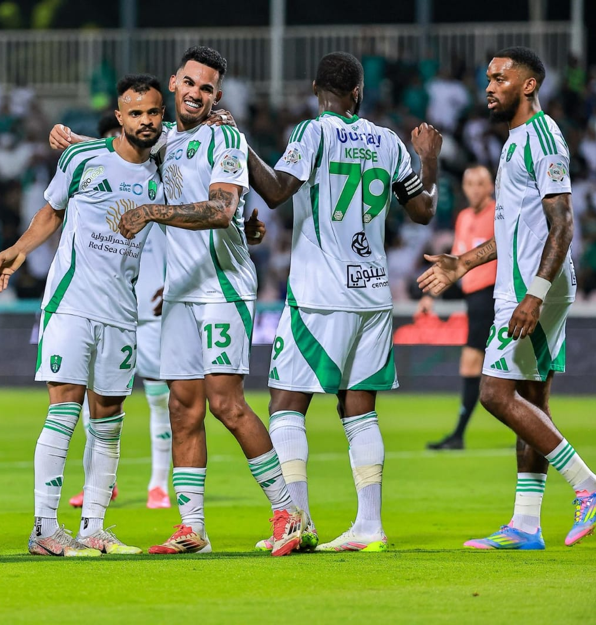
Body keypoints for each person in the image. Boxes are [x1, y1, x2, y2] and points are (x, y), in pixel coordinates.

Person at [54, 46, 304, 557]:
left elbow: (221, 209)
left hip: (222, 288)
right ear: (174, 83)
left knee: (226, 403)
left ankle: (290, 513)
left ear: (217, 97)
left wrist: (153, 211)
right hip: (180, 292)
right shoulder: (166, 139)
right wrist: (74, 140)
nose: (196, 93)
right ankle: (193, 528)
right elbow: (125, 146)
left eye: (207, 88)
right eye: (190, 83)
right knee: (182, 409)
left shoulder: (225, 138)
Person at [238, 51, 442, 552]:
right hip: (372, 294)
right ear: (358, 92)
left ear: (315, 89)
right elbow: (423, 211)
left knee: (286, 404)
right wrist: (429, 159)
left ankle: (297, 521)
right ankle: (369, 524)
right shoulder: (389, 141)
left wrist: (238, 144)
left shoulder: (313, 133)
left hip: (320, 296)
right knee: (359, 411)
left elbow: (276, 191)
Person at [419, 46, 596, 550]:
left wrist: (534, 295)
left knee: (495, 394)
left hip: (530, 285)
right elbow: (515, 227)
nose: (490, 87)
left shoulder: (542, 137)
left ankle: (587, 485)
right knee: (532, 401)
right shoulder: (516, 140)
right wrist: (463, 263)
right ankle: (525, 524)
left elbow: (563, 224)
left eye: (500, 78)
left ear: (529, 85)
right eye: (488, 79)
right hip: (526, 282)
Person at [0, 74, 167, 557]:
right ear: (119, 116)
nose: (145, 121)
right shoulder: (82, 158)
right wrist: (20, 249)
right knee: (64, 411)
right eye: (136, 113)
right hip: (71, 304)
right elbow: (52, 211)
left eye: (153, 112)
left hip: (123, 313)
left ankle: (93, 528)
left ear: (162, 116)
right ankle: (44, 528)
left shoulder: (165, 172)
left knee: (108, 421)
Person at [67, 112, 172, 511]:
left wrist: (172, 282)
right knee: (94, 400)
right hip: (105, 307)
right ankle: (101, 482)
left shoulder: (159, 184)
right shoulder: (94, 191)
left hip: (151, 309)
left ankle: (158, 484)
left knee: (159, 399)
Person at [421, 165, 497, 450]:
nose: (475, 189)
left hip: (492, 296)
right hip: (473, 298)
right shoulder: (464, 217)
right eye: (469, 183)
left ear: (490, 187)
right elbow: (455, 262)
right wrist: (432, 296)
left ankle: (458, 435)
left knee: (472, 362)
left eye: (480, 183)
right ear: (463, 188)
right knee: (501, 367)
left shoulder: (499, 214)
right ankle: (525, 434)